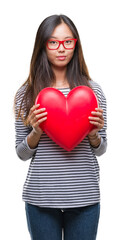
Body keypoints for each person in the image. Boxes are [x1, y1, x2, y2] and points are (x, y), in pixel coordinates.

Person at [14, 14, 107, 240]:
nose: (61, 48)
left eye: (68, 41)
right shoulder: (25, 95)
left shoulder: (93, 92)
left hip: (84, 198)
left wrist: (93, 134)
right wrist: (36, 131)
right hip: (41, 199)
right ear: (43, 45)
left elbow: (101, 149)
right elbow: (21, 153)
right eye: (53, 42)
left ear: (76, 44)